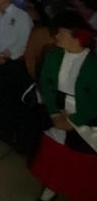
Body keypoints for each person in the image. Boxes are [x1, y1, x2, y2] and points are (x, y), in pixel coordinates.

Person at [29, 12, 97, 201]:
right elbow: (46, 84)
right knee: (57, 154)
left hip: (84, 118)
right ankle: (51, 188)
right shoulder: (53, 55)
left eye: (60, 33)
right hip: (57, 113)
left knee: (81, 160)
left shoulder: (93, 64)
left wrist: (74, 120)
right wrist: (53, 114)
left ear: (76, 36)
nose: (56, 36)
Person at [0, 0, 34, 148]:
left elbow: (24, 40)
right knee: (1, 96)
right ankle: (3, 129)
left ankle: (19, 136)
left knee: (14, 98)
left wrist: (7, 55)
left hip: (13, 63)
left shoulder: (21, 16)